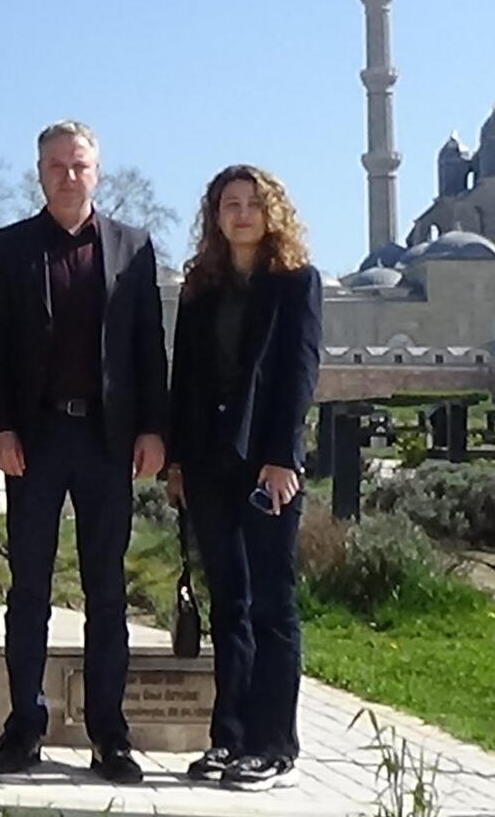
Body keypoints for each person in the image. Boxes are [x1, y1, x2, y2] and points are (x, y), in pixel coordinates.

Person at [0, 120, 170, 784]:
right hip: (34, 438)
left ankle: (107, 734)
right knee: (27, 589)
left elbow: (149, 346)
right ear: (38, 171)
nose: (68, 174)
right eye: (56, 164)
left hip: (106, 440)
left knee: (106, 591)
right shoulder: (7, 247)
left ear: (97, 170)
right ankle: (22, 727)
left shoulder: (132, 247)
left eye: (79, 164)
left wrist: (152, 428)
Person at [164, 164, 321, 793]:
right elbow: (184, 381)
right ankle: (227, 740)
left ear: (271, 212)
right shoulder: (200, 288)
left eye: (253, 203)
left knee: (270, 606)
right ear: (215, 216)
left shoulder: (295, 284)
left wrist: (283, 456)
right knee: (230, 605)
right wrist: (177, 462)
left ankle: (274, 746)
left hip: (267, 467)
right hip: (208, 464)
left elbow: (298, 374)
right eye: (230, 204)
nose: (242, 213)